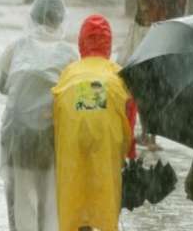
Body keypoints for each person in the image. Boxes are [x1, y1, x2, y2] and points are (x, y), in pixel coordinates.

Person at [0, 0, 79, 231]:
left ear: (32, 16)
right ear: (60, 18)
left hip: (18, 135)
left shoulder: (18, 47)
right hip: (50, 137)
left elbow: (2, 84)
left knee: (19, 194)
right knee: (49, 195)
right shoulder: (69, 55)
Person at [52, 15, 134, 231]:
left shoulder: (69, 73)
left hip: (72, 140)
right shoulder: (118, 74)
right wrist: (129, 151)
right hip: (106, 140)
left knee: (75, 190)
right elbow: (130, 114)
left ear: (81, 42)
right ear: (108, 43)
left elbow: (56, 113)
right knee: (105, 190)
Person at [117, 0, 188, 150]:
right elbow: (179, 16)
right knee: (157, 92)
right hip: (164, 45)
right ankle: (152, 135)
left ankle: (147, 133)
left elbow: (141, 18)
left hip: (146, 45)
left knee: (144, 92)